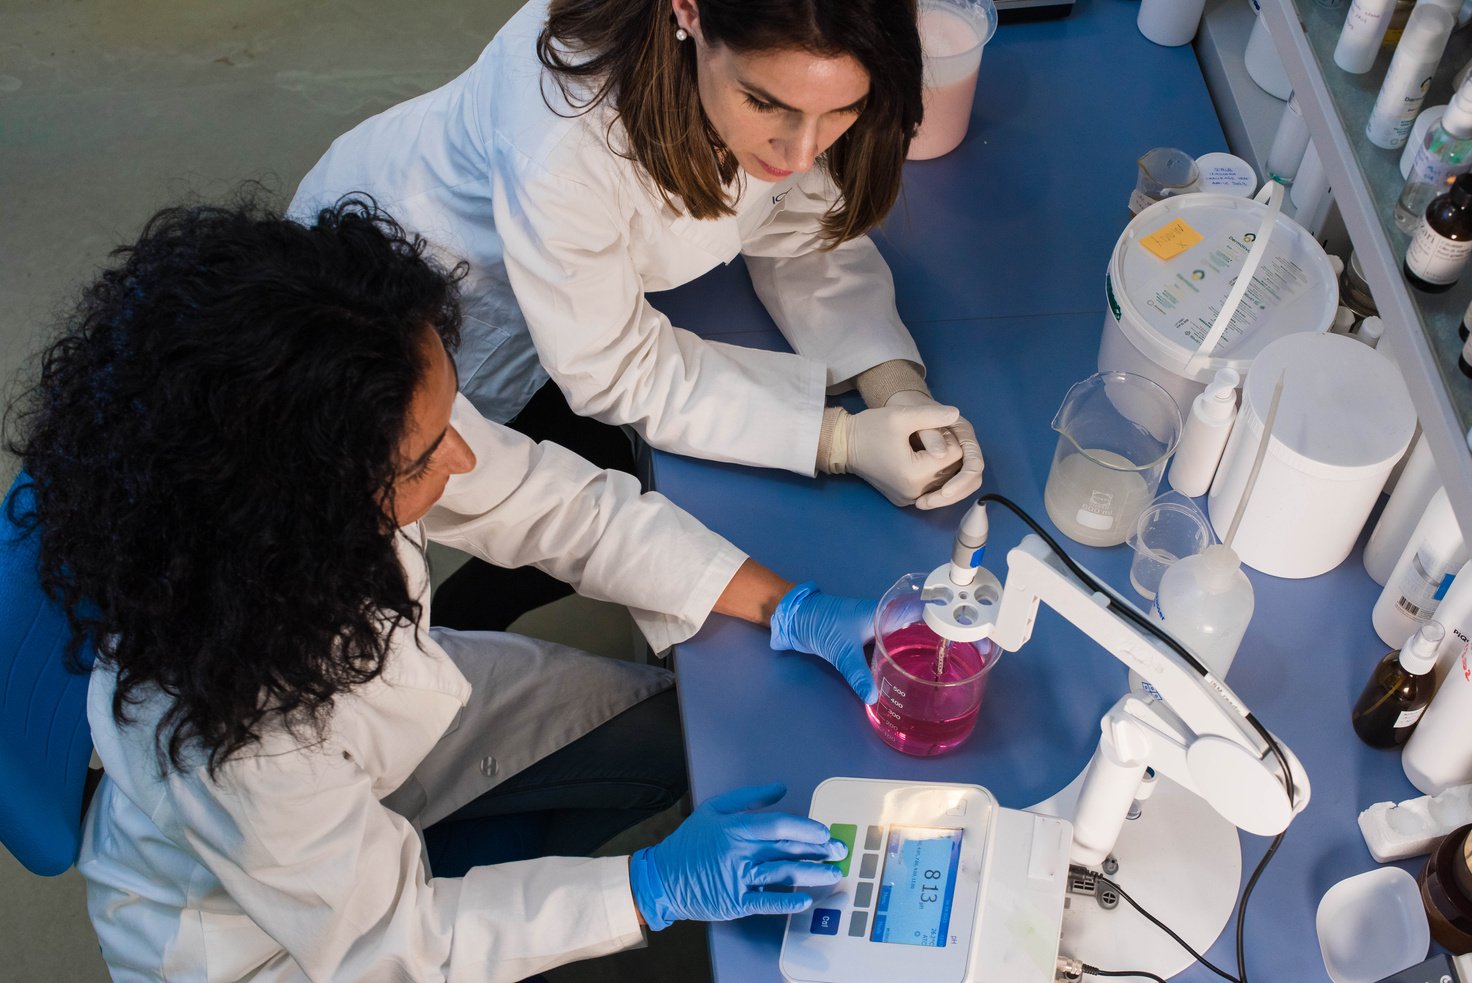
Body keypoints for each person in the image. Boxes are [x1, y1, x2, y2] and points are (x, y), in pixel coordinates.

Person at [9, 196, 878, 981]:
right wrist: (648, 890)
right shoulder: (238, 745)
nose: (461, 457)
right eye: (425, 457)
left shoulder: (348, 418)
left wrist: (787, 603)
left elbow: (553, 505)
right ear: (304, 509)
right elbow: (396, 940)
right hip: (268, 940)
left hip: (370, 722)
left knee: (670, 736)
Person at [290, 0, 985, 515]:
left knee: (585, 491)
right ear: (689, 12)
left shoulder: (805, 63)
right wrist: (835, 439)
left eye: (839, 113)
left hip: (566, 298)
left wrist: (896, 386)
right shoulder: (566, 141)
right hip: (407, 297)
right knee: (487, 513)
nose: (802, 153)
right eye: (763, 103)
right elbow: (614, 363)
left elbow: (796, 225)